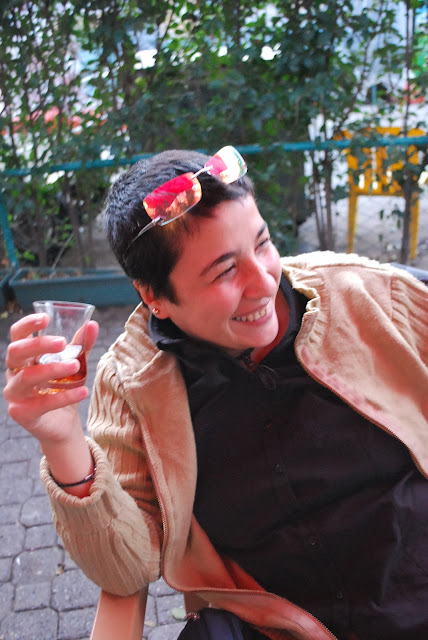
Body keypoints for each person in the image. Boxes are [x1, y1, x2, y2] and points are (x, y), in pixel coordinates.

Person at [4, 145, 428, 640]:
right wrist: (61, 443)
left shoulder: (364, 297)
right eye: (225, 271)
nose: (263, 282)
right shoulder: (133, 384)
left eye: (263, 243)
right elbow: (125, 571)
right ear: (154, 296)